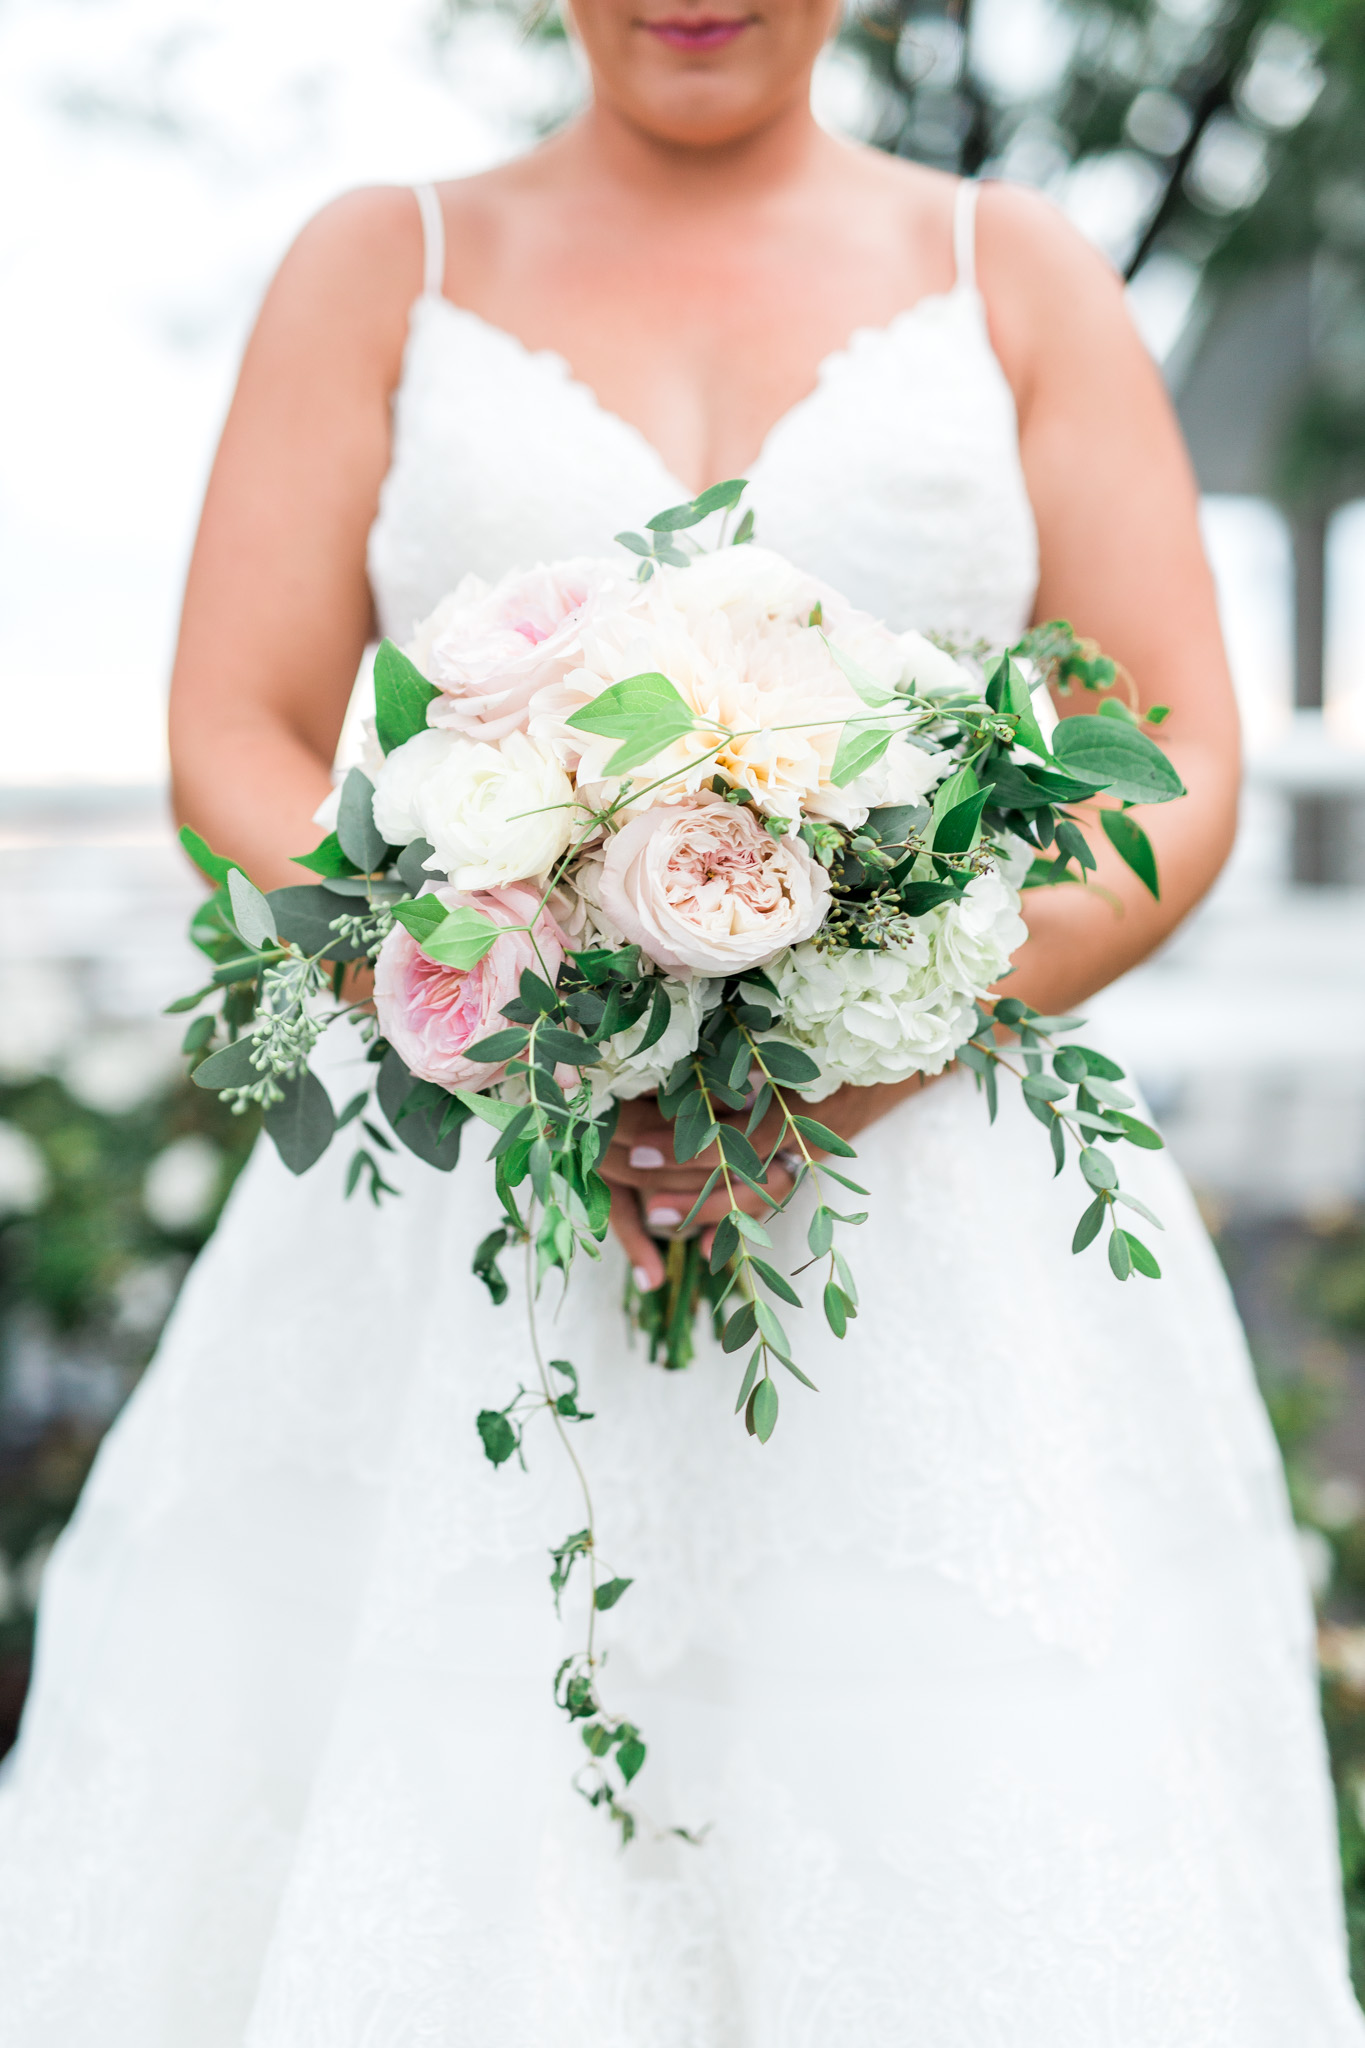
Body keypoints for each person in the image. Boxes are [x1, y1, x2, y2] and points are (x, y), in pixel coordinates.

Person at [1, 2, 1360, 2041]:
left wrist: (845, 1050)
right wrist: (512, 1001)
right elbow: (234, 729)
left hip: (943, 1225)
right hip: (468, 1210)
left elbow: (1164, 752)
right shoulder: (386, 263)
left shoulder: (1019, 274)